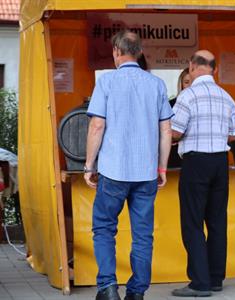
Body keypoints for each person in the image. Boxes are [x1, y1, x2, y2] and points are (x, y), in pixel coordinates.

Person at [84, 30, 173, 300]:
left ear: (116, 52)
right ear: (140, 52)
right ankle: (137, 292)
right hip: (145, 173)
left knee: (103, 228)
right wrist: (162, 168)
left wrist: (89, 165)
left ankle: (108, 287)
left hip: (113, 171)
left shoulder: (106, 82)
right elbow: (166, 130)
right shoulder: (156, 84)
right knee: (143, 234)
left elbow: (97, 125)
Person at [170, 50, 235, 297]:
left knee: (193, 222)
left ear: (191, 67)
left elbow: (175, 133)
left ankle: (199, 283)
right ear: (214, 69)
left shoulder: (187, 97)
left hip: (196, 162)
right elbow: (233, 135)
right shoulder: (227, 98)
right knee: (217, 221)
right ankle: (215, 278)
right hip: (220, 162)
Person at [168, 68, 192, 168]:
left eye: (193, 82)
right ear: (181, 84)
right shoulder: (170, 103)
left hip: (192, 152)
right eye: (186, 82)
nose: (190, 86)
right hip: (173, 151)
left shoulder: (202, 104)